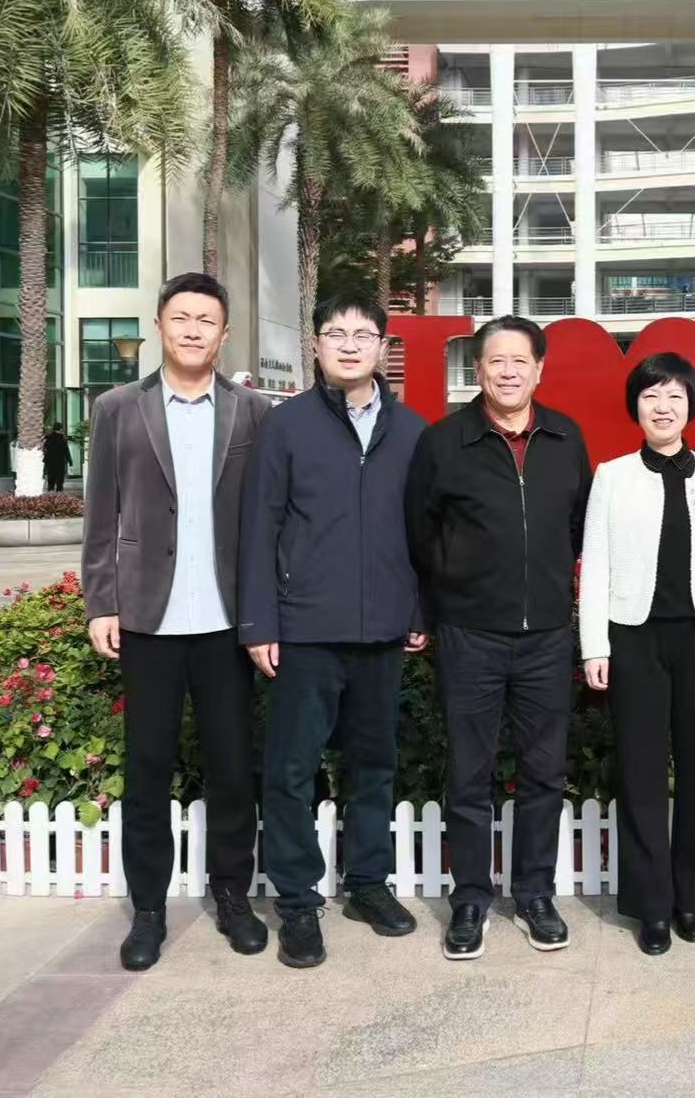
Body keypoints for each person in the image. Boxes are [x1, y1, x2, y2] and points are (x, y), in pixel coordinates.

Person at [81, 272, 272, 972]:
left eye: (206, 320)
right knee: (147, 767)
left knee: (232, 766)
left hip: (226, 620)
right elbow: (101, 513)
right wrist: (101, 601)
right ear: (160, 326)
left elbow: (268, 519)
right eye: (181, 317)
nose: (193, 330)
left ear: (225, 334)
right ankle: (149, 911)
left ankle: (233, 895)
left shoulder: (253, 412)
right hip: (147, 617)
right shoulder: (117, 409)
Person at [238, 295, 427, 969]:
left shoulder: (413, 431)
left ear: (383, 346)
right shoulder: (285, 425)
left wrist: (418, 610)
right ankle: (296, 900)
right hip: (304, 628)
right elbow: (260, 526)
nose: (349, 344)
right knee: (291, 770)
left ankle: (368, 882)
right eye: (336, 333)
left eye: (363, 334)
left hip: (383, 631)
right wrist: (259, 620)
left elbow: (426, 532)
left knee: (374, 764)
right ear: (316, 345)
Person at [405, 315, 592, 960]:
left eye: (520, 361)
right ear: (478, 369)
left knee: (544, 772)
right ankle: (470, 899)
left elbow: (577, 526)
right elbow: (420, 536)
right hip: (469, 636)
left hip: (547, 637)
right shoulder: (444, 442)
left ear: (539, 369)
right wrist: (433, 611)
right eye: (495, 361)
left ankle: (535, 893)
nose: (508, 371)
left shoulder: (566, 437)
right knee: (469, 773)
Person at [579, 353, 695, 955]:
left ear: (691, 407)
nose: (663, 407)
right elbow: (595, 564)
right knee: (641, 770)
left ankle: (692, 897)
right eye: (652, 396)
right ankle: (651, 904)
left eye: (675, 396)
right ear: (636, 405)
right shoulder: (612, 475)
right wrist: (594, 645)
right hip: (634, 636)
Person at [43, 423, 72, 493]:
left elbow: (45, 447)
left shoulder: (48, 437)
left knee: (51, 476)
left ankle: (50, 491)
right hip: (60, 461)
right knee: (60, 478)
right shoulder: (62, 438)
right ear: (61, 429)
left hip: (50, 460)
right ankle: (59, 492)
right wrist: (70, 460)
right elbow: (66, 450)